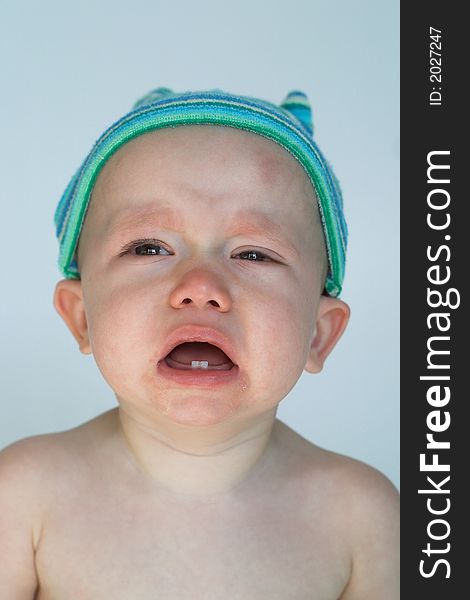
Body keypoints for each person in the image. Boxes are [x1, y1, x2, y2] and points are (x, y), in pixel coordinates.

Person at [0, 88, 399, 598]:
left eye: (255, 254)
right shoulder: (26, 497)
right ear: (82, 317)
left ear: (318, 334)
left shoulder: (362, 521)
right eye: (149, 247)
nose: (202, 287)